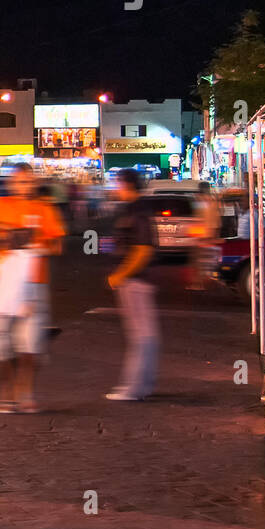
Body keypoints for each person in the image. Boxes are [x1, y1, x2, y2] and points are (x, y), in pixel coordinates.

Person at [0, 164, 65, 413]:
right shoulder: (1, 206)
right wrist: (2, 229)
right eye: (20, 182)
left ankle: (26, 392)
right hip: (3, 280)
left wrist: (35, 245)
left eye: (29, 182)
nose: (25, 187)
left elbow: (58, 245)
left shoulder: (45, 209)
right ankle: (8, 394)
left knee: (30, 344)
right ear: (12, 184)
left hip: (34, 283)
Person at [105, 168, 160, 401]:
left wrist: (121, 274)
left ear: (125, 184)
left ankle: (133, 387)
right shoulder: (135, 209)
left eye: (117, 183)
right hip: (137, 280)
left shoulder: (137, 211)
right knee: (145, 335)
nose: (114, 188)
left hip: (135, 281)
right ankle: (144, 384)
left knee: (141, 336)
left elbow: (143, 249)